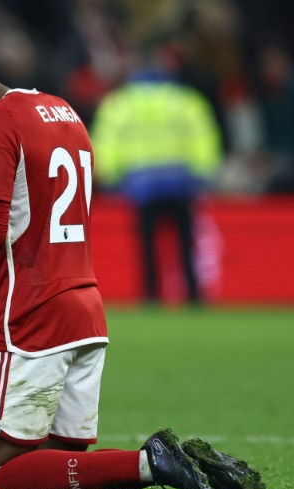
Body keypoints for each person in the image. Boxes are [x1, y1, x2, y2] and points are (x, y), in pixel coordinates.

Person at [0, 50, 263, 489]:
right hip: (85, 312)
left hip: (29, 318)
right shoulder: (62, 110)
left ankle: (151, 462)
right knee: (57, 465)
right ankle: (180, 461)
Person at [90, 45, 222, 304]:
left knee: (147, 246)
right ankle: (193, 296)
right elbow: (203, 137)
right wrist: (203, 175)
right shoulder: (185, 100)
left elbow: (106, 142)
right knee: (185, 244)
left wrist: (110, 177)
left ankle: (151, 295)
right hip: (181, 183)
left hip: (141, 185)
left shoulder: (120, 103)